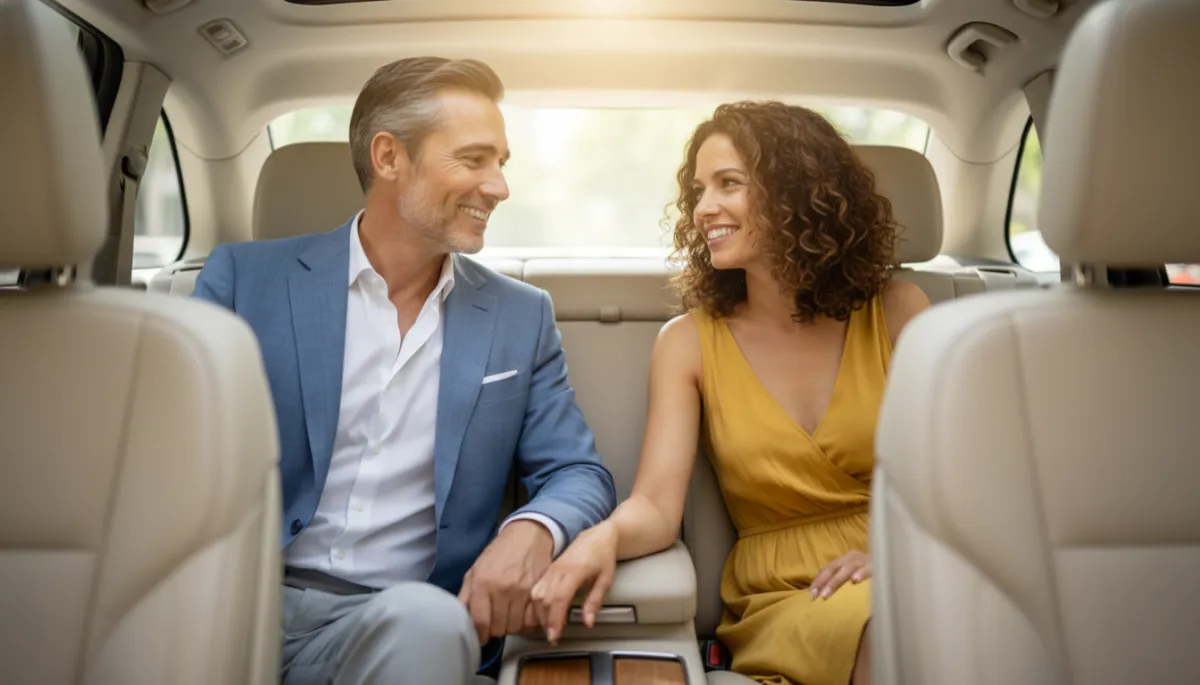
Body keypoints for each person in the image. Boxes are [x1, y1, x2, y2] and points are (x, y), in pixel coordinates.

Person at [192, 56, 616, 685]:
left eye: (502, 163)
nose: (499, 186)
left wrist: (530, 531)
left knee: (427, 624)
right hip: (237, 602)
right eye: (474, 160)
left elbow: (577, 472)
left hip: (404, 621)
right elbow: (176, 463)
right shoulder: (241, 282)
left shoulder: (519, 316)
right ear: (389, 158)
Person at [529, 101, 931, 685]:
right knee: (890, 631)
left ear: (799, 190)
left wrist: (895, 557)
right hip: (787, 595)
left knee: (924, 619)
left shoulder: (899, 311)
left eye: (729, 184)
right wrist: (602, 539)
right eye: (699, 190)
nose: (703, 209)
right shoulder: (689, 343)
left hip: (907, 567)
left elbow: (957, 488)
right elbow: (657, 507)